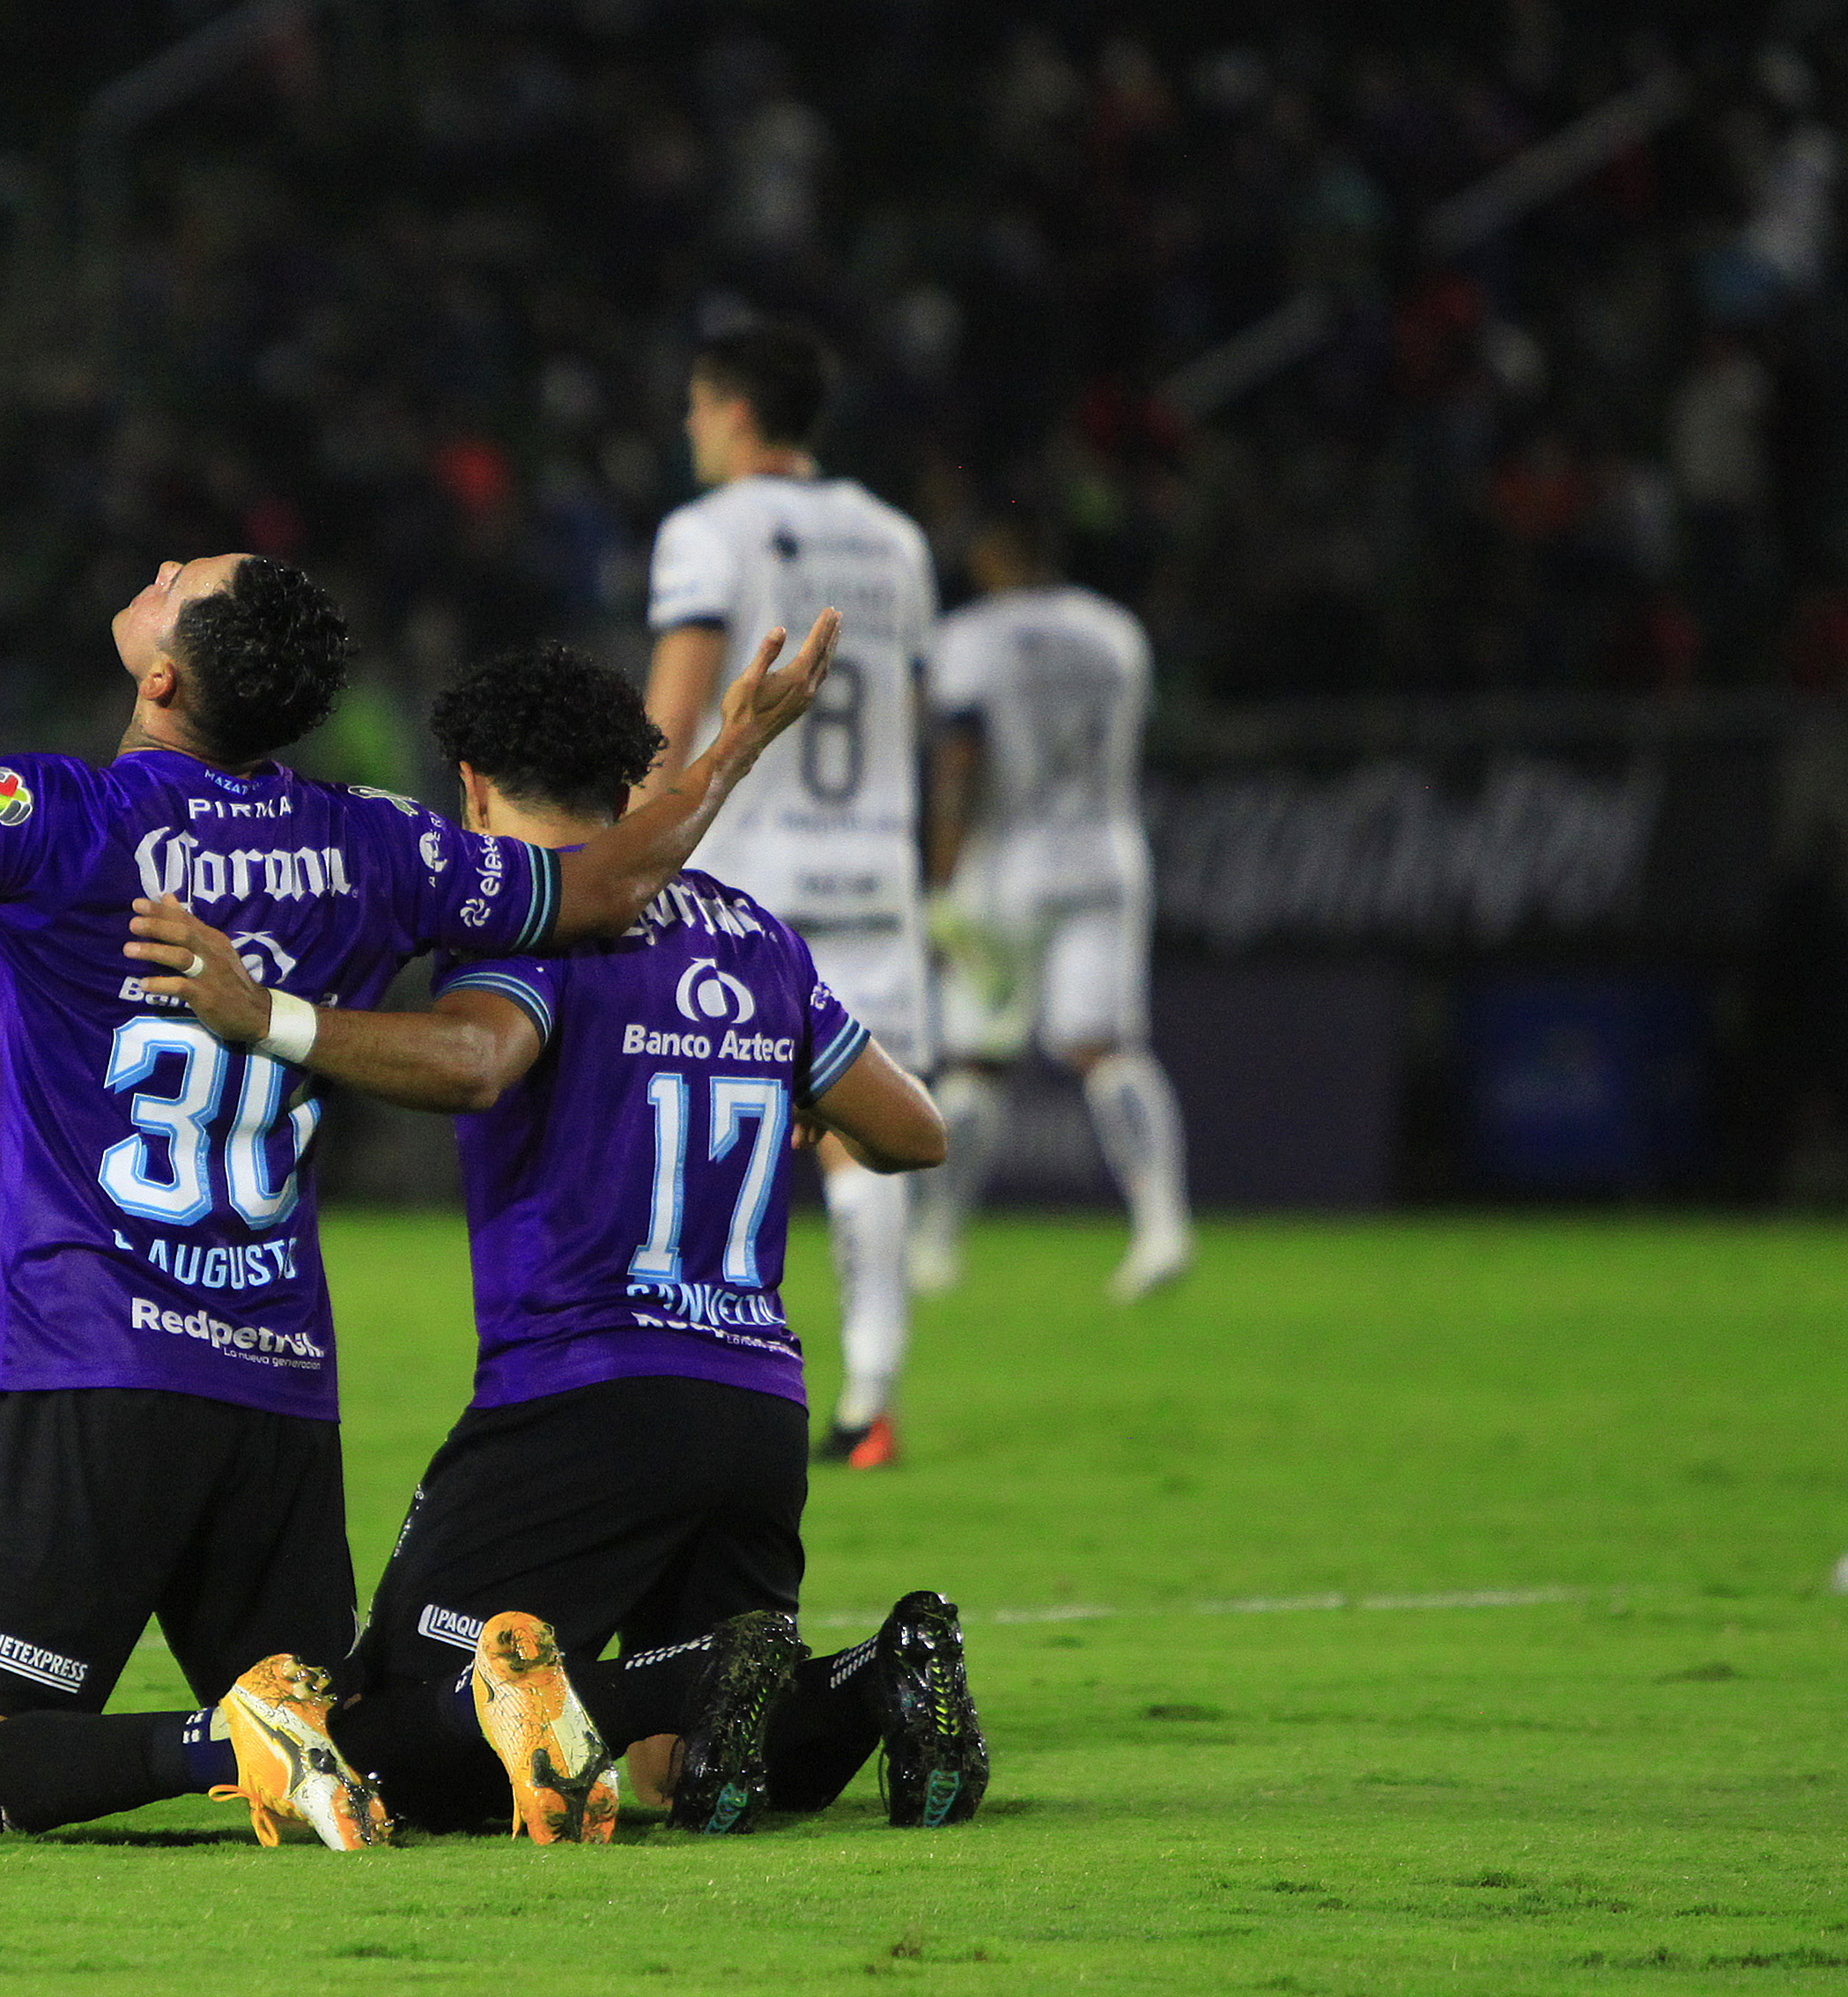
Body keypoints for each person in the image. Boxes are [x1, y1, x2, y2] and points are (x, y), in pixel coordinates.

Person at [0, 482, 834, 1846]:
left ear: (161, 671)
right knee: (354, 1735)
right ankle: (624, 1689)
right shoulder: (381, 843)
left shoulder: (59, 816)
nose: (157, 559)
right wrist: (727, 750)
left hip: (91, 1359)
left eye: (179, 570)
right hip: (277, 1388)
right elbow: (606, 885)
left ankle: (218, 1737)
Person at [131, 640, 988, 1842]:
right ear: (632, 777)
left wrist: (265, 1014)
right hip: (755, 1403)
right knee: (675, 1767)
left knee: (396, 1721)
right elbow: (916, 1132)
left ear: (471, 786)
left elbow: (480, 1062)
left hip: (584, 1395)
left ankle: (709, 1680)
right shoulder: (750, 935)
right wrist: (788, 1087)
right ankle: (879, 1673)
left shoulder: (524, 918)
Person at [641, 318, 939, 1470]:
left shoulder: (708, 532)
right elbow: (908, 715)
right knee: (860, 1141)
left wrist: (619, 848)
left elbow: (671, 718)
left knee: (708, 1124)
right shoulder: (899, 542)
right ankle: (869, 1398)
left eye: (695, 405)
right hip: (873, 875)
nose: (686, 427)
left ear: (731, 410)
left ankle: (703, 1375)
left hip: (746, 881)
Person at [909, 520, 1192, 1302]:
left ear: (999, 555)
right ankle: (1162, 1222)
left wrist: (940, 876)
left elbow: (960, 758)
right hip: (1107, 855)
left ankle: (936, 1242)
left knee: (975, 1060)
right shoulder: (1115, 632)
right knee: (1106, 1047)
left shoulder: (970, 637)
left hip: (1005, 868)